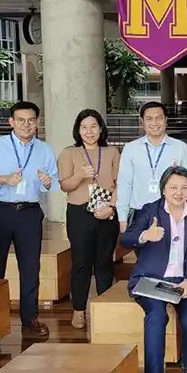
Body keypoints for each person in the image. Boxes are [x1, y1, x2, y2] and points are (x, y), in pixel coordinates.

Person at [121, 166, 187, 373]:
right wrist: (144, 236)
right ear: (163, 190)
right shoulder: (150, 211)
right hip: (152, 280)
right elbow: (125, 239)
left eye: (184, 188)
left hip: (184, 280)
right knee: (157, 317)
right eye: (173, 187)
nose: (179, 192)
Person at [0, 101, 58, 337]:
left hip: (29, 213)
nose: (26, 125)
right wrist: (3, 179)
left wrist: (48, 182)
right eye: (21, 120)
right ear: (11, 122)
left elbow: (53, 181)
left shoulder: (44, 149)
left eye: (31, 120)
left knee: (30, 268)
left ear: (37, 122)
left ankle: (30, 319)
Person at [58, 109, 120, 329]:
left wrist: (111, 208)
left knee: (104, 262)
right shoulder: (69, 153)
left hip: (106, 212)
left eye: (93, 126)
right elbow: (65, 185)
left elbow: (119, 184)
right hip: (79, 213)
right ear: (78, 130)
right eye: (84, 127)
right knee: (81, 263)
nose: (89, 131)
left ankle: (105, 309)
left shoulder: (112, 152)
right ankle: (79, 310)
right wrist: (80, 175)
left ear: (101, 128)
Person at [116, 101, 187, 235]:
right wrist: (122, 217)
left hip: (173, 211)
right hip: (140, 213)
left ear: (166, 120)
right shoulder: (131, 149)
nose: (154, 123)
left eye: (159, 118)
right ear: (142, 122)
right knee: (142, 248)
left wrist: (178, 175)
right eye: (149, 119)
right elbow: (124, 184)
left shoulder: (180, 147)